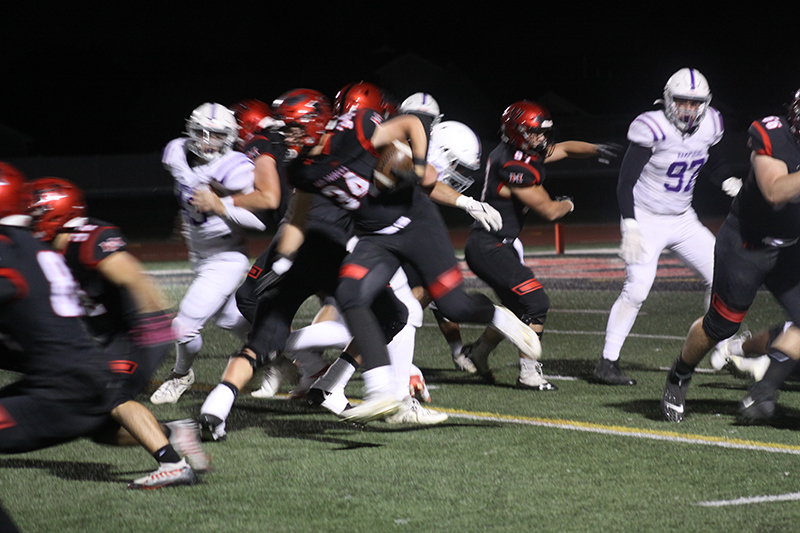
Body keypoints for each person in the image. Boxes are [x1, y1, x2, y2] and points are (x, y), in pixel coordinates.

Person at [0, 165, 198, 490]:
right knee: (97, 427)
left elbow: (136, 280)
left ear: (57, 213)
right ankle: (174, 434)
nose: (29, 220)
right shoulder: (44, 250)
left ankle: (172, 464)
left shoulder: (88, 239)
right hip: (108, 337)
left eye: (37, 213)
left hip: (136, 332)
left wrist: (155, 331)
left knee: (114, 395)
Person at [661, 87, 800, 423]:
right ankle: (679, 375)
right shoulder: (772, 133)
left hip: (789, 248)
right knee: (720, 325)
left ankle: (763, 394)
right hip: (745, 246)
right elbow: (774, 191)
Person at [463, 100, 619, 390]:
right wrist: (569, 204)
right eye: (534, 133)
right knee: (536, 302)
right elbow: (548, 210)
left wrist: (596, 149)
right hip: (489, 246)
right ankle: (529, 373)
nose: (541, 138)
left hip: (496, 244)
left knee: (514, 308)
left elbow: (565, 148)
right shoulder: (512, 165)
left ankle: (478, 352)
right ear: (517, 132)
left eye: (542, 132)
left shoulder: (519, 151)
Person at [594, 68, 724, 386]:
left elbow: (709, 160)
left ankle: (724, 349)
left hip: (682, 217)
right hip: (646, 217)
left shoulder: (712, 124)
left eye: (695, 104)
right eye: (681, 101)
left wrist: (725, 180)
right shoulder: (651, 127)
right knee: (637, 288)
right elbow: (625, 184)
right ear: (668, 100)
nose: (688, 110)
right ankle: (607, 362)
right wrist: (631, 225)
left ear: (705, 105)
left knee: (722, 276)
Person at [151, 102, 264, 405]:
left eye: (216, 135)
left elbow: (261, 220)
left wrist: (221, 207)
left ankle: (180, 375)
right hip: (200, 256)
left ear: (229, 137)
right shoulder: (176, 153)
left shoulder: (237, 169)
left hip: (226, 256)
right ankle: (288, 358)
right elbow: (187, 184)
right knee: (231, 320)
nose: (206, 141)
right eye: (201, 133)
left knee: (184, 326)